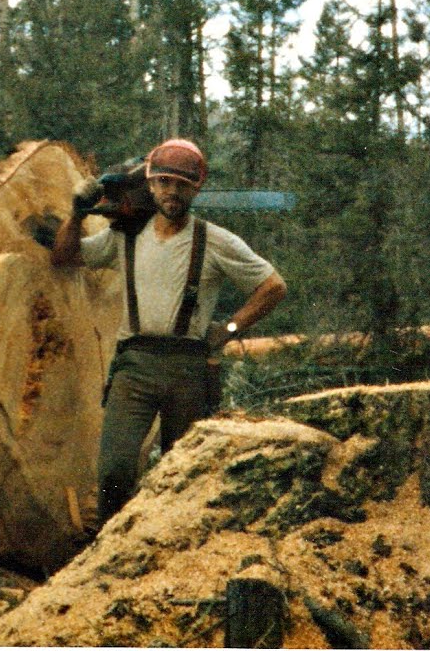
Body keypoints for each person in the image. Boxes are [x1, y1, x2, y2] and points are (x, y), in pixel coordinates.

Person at [51, 138, 288, 525]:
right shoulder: (124, 237)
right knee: (114, 470)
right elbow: (65, 257)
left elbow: (273, 286)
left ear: (196, 188)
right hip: (135, 365)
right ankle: (107, 553)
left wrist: (229, 328)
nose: (171, 192)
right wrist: (77, 214)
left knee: (184, 476)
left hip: (188, 370)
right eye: (163, 182)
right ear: (150, 184)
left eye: (181, 184)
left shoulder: (213, 240)